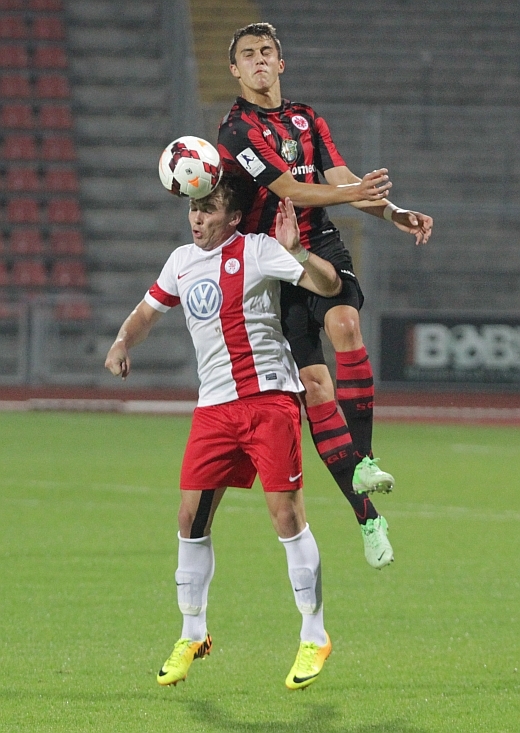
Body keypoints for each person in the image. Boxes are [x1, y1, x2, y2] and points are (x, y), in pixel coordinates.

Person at [105, 175, 344, 691]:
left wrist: (298, 251)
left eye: (207, 210)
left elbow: (329, 286)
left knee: (287, 516)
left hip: (268, 399)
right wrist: (123, 341)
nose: (196, 218)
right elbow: (146, 312)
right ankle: (193, 633)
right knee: (189, 518)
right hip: (214, 408)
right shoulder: (180, 262)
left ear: (232, 218)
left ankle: (315, 634)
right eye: (193, 209)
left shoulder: (258, 250)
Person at [217, 22, 434, 569]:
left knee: (345, 324)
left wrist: (393, 213)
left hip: (320, 245)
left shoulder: (307, 118)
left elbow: (339, 177)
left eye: (267, 51)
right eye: (249, 54)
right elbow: (289, 188)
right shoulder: (236, 129)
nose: (259, 60)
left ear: (280, 63)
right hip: (272, 262)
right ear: (235, 70)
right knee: (315, 386)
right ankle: (369, 519)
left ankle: (365, 461)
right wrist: (353, 191)